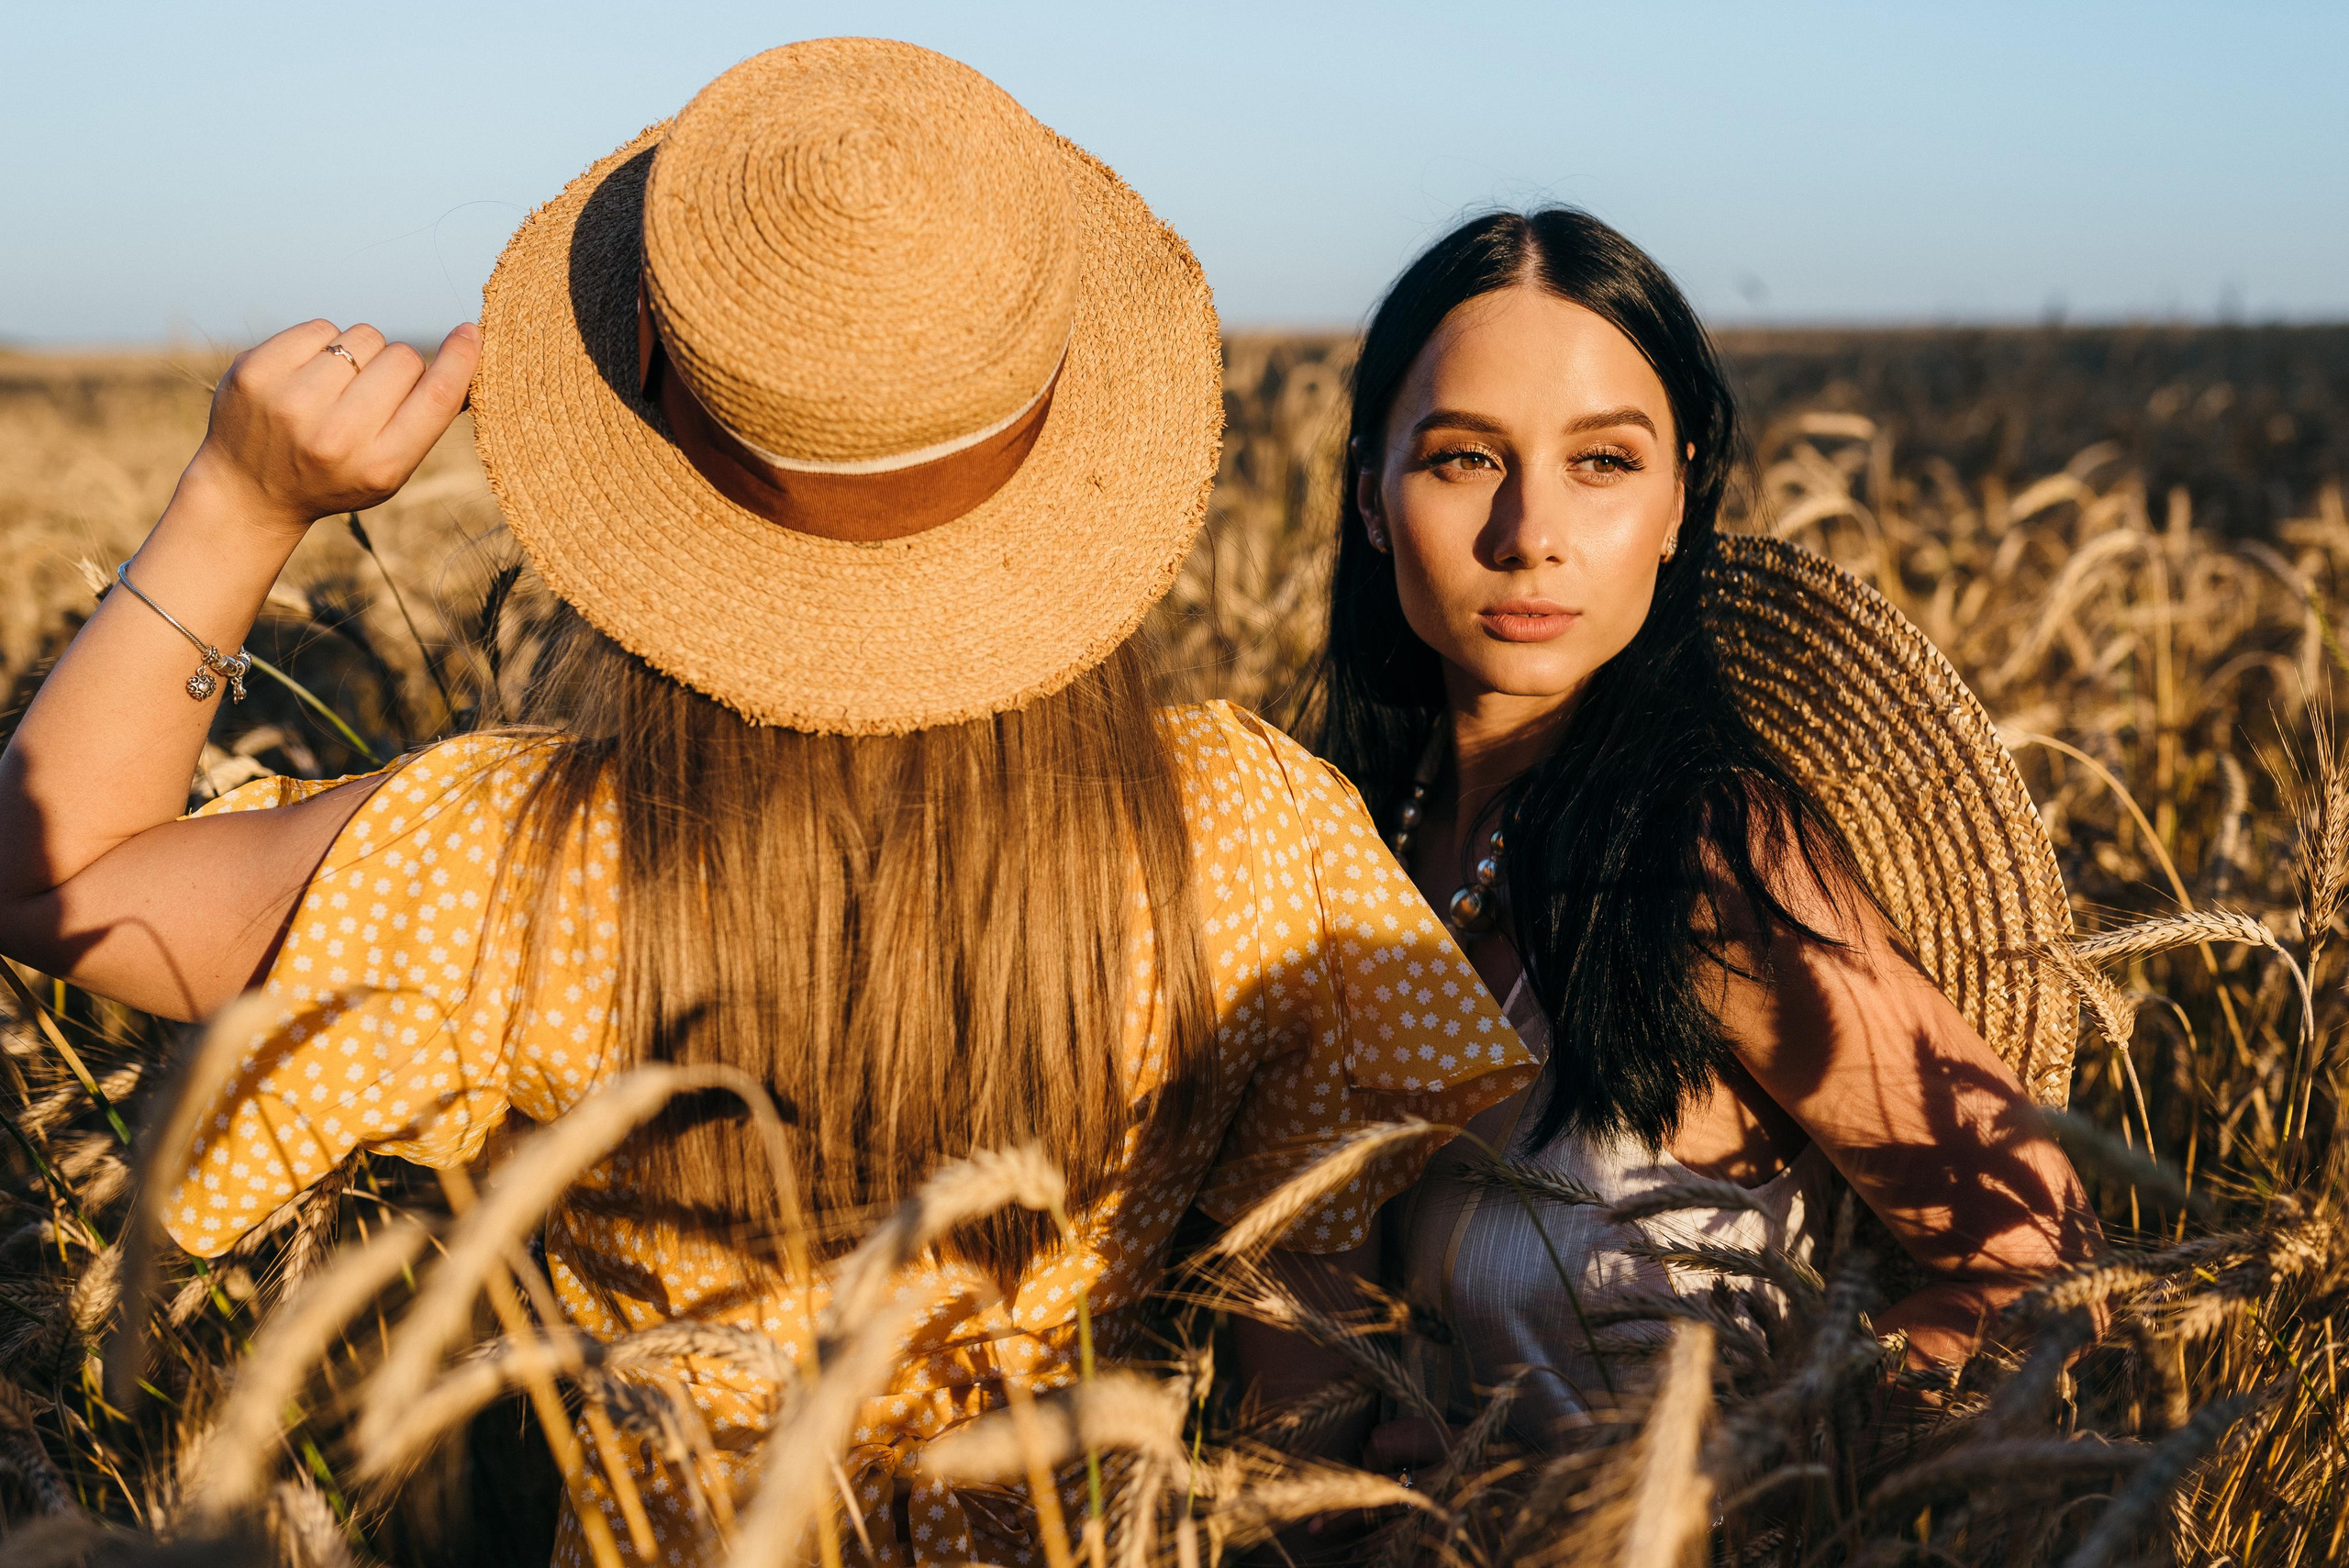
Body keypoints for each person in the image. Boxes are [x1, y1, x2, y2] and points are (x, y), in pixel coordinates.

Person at [0, 42, 1537, 1564]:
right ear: (1065, 447)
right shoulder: (1250, 835)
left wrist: (240, 499)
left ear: (661, 444)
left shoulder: (511, 859)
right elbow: (1305, 1386)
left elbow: (51, 868)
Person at [1302, 208, 2103, 1457]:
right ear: (1369, 495)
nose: (1530, 533)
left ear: (1681, 499)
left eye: (1603, 463)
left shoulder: (1707, 863)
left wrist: (1735, 1463)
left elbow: (2037, 1259)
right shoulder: (1331, 852)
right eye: (1464, 457)